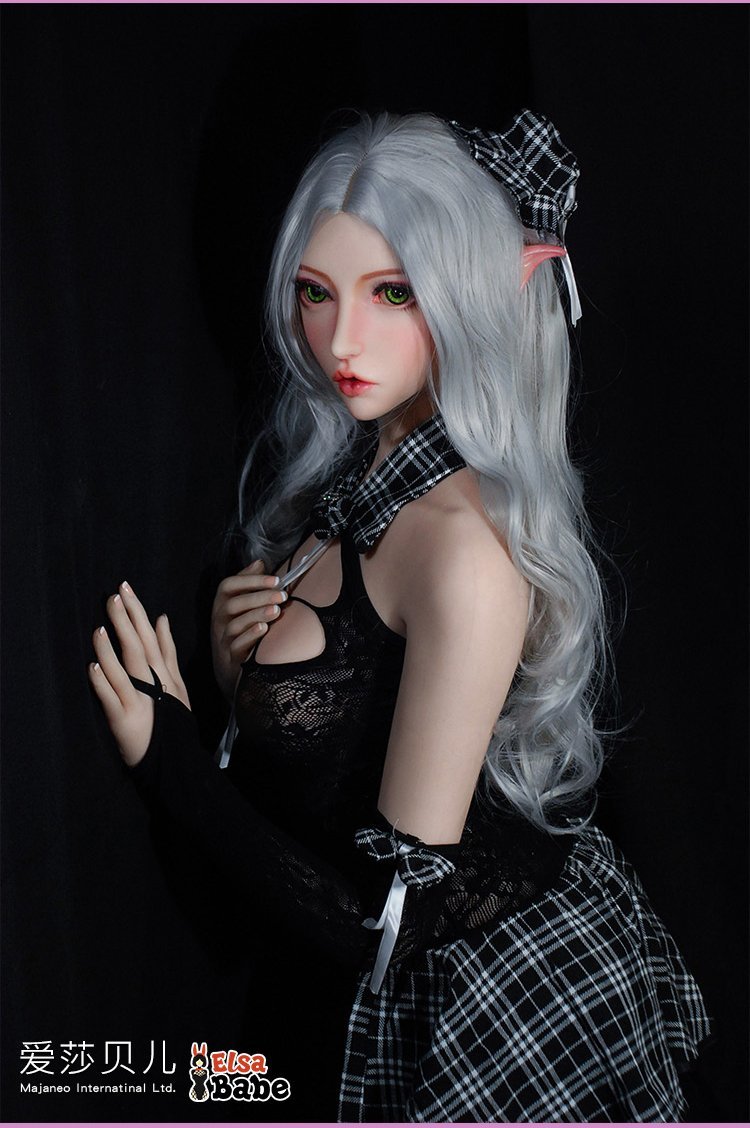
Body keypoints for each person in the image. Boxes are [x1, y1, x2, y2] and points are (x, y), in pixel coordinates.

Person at [89, 109, 710, 1121]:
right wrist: (239, 674)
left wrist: (171, 759)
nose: (342, 340)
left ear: (464, 299)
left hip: (492, 1022)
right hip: (316, 995)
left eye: (392, 294)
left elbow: (384, 928)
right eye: (316, 293)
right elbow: (332, 769)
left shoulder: (465, 557)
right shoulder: (351, 483)